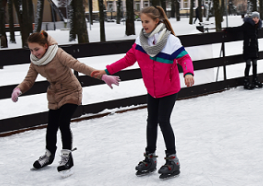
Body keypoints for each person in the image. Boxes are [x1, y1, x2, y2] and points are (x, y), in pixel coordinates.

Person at [90, 6, 194, 179]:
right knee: (151, 122)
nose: (143, 24)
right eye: (142, 21)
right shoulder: (141, 41)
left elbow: (185, 58)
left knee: (163, 120)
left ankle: (172, 159)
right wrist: (106, 71)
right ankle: (150, 158)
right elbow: (128, 59)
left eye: (146, 21)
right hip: (152, 90)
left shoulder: (170, 41)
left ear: (156, 21)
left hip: (168, 88)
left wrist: (188, 73)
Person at [11, 30, 120, 174]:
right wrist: (19, 89)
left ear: (45, 45)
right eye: (31, 50)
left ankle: (67, 156)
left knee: (63, 122)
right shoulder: (35, 61)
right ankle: (49, 155)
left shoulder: (58, 53)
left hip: (71, 91)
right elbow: (29, 79)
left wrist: (102, 76)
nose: (34, 52)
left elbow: (78, 66)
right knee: (51, 126)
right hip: (54, 95)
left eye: (36, 49)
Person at [225, 12, 263, 89]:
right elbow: (238, 29)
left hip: (254, 48)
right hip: (248, 48)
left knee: (255, 63)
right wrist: (228, 29)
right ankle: (246, 81)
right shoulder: (247, 25)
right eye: (254, 18)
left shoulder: (256, 27)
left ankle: (255, 79)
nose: (255, 19)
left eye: (257, 18)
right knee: (248, 63)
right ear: (251, 18)